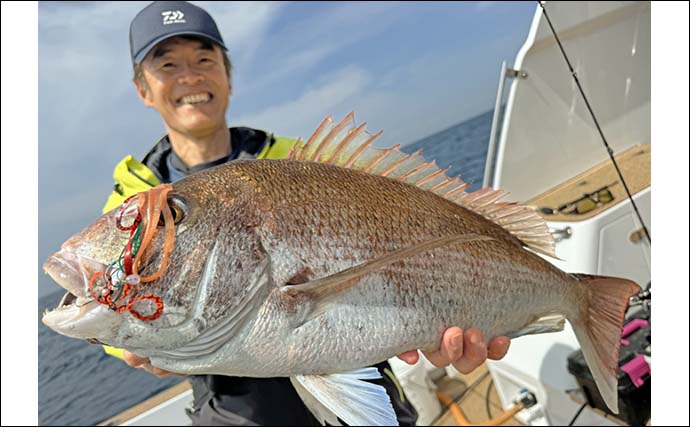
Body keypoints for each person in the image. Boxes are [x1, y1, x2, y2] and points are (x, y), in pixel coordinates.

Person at [102, 1, 511, 425]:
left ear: (227, 75)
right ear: (143, 90)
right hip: (236, 413)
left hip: (363, 384)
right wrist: (137, 345)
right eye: (166, 65)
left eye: (204, 59)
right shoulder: (132, 205)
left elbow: (405, 254)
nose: (190, 76)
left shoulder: (302, 166)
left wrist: (438, 322)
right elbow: (101, 309)